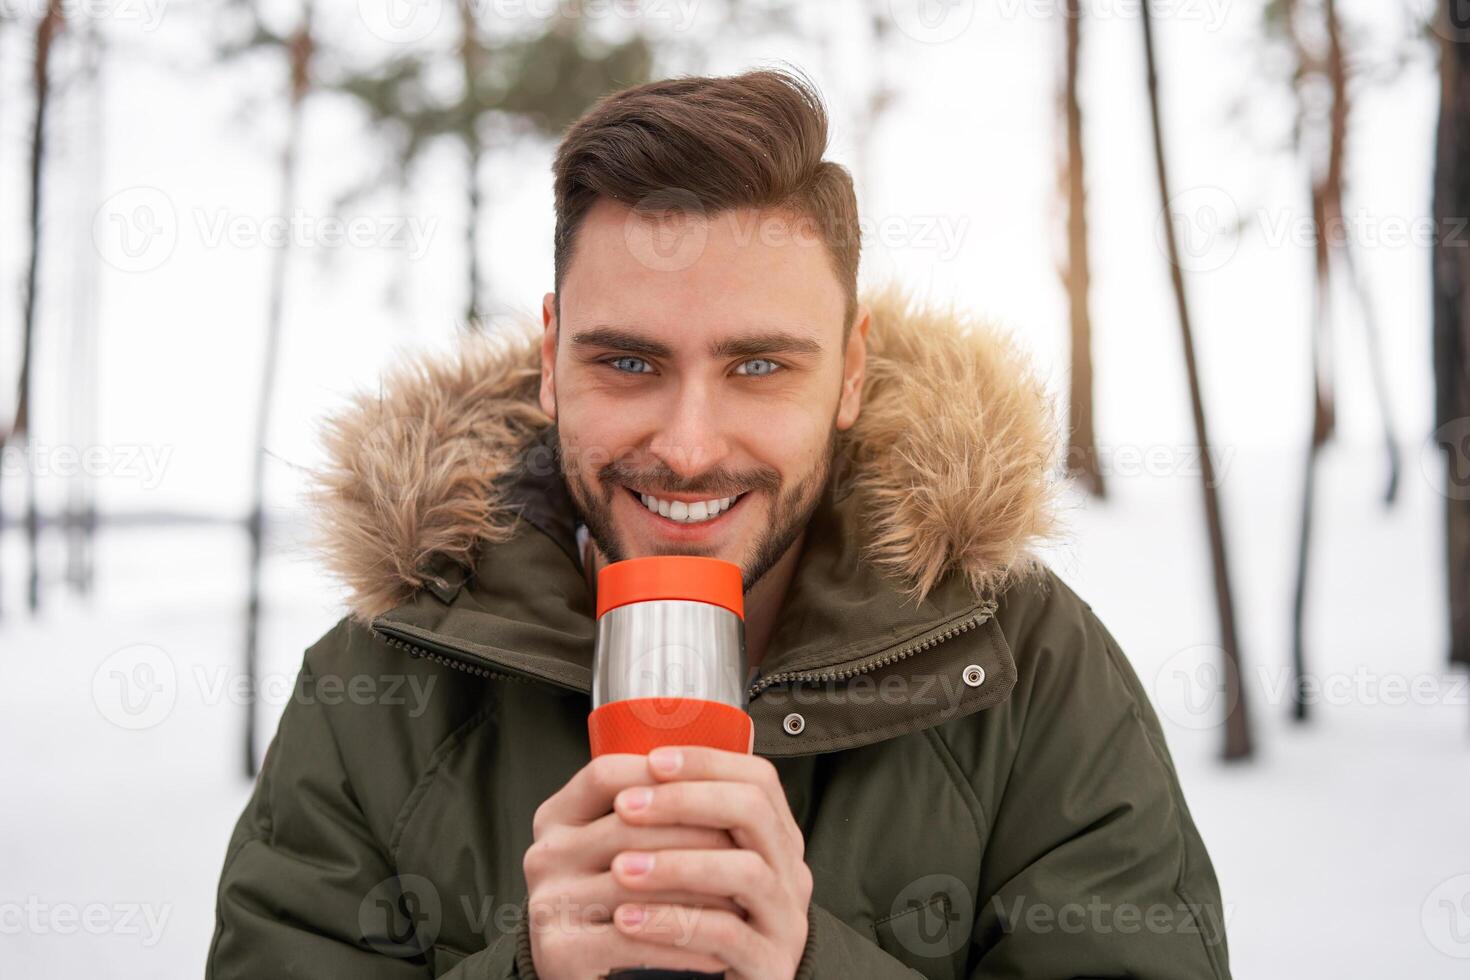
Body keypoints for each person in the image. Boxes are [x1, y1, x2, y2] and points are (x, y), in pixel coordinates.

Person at [207, 67, 1231, 979]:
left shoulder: (1023, 669)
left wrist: (809, 963)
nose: (691, 448)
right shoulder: (379, 690)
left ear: (851, 370)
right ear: (554, 355)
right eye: (629, 362)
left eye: (757, 366)